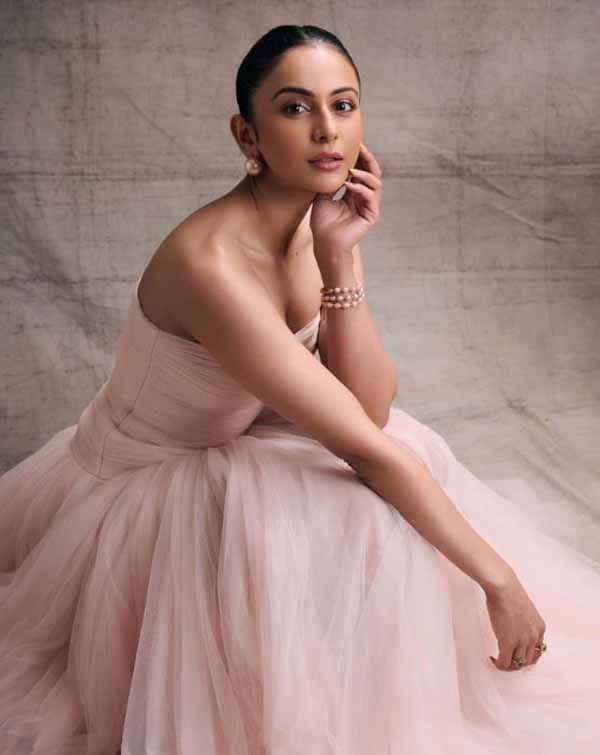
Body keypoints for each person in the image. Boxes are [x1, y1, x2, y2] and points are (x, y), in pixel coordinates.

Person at [1, 23, 599, 755]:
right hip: (141, 485)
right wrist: (497, 580)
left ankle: (381, 703)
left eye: (343, 105)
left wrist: (340, 257)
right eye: (294, 108)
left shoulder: (316, 223)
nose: (327, 130)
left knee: (412, 458)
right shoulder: (210, 264)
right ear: (246, 135)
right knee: (363, 509)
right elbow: (362, 446)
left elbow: (370, 408)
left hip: (241, 438)